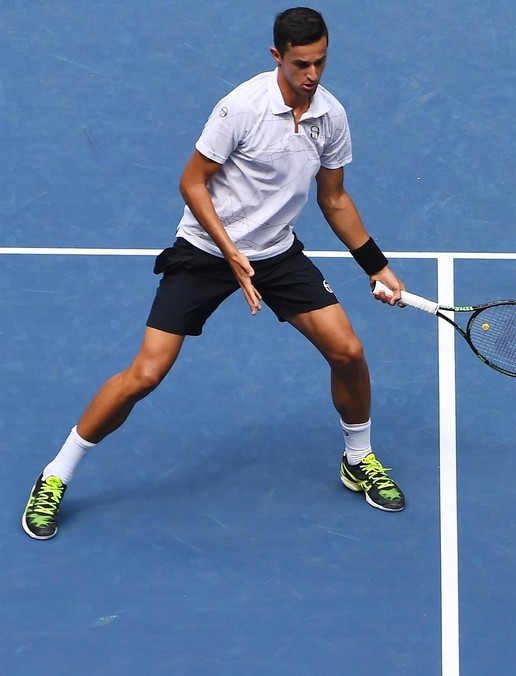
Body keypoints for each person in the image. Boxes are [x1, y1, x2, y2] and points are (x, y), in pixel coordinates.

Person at [22, 7, 408, 541]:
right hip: (206, 250)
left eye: (320, 62)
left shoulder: (331, 115)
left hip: (276, 253)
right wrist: (230, 253)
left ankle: (358, 458)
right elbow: (192, 182)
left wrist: (377, 267)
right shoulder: (240, 108)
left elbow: (335, 198)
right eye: (301, 64)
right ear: (277, 56)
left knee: (348, 352)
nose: (312, 75)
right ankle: (55, 474)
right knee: (146, 375)